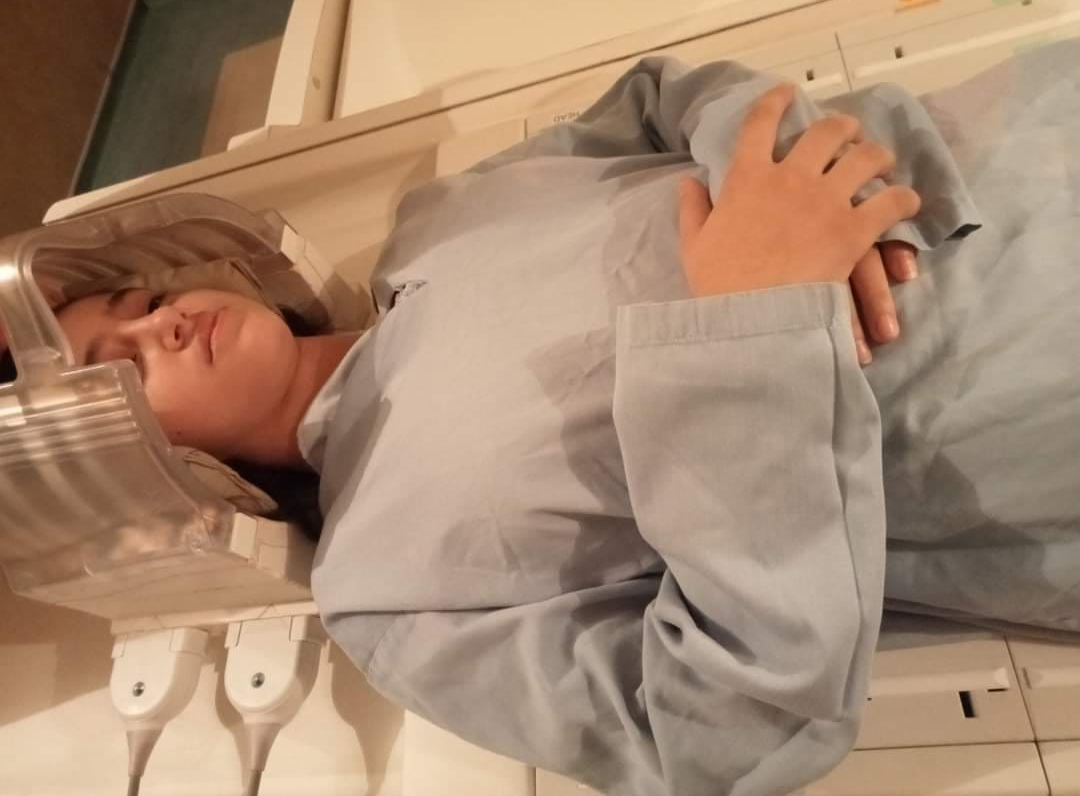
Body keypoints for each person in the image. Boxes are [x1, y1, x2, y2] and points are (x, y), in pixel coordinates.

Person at [6, 49, 1080, 795]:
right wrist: (754, 325)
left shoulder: (435, 222)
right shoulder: (383, 587)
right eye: (121, 371)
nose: (161, 324)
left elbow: (664, 95)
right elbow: (723, 739)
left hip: (1032, 128)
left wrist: (777, 167)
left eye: (143, 301)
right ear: (148, 474)